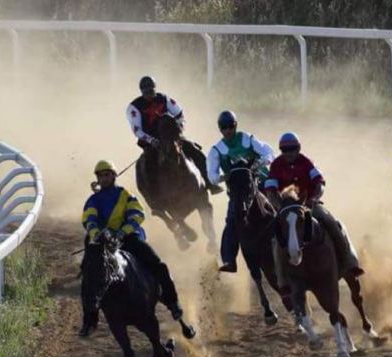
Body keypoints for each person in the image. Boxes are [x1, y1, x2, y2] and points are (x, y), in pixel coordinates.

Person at [79, 160, 184, 337]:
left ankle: (173, 303)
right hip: (102, 242)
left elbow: (137, 214)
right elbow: (88, 219)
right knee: (88, 277)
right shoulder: (93, 200)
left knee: (159, 265)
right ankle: (90, 321)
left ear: (114, 175)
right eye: (100, 176)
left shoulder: (125, 195)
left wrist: (120, 234)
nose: (103, 179)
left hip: (128, 239)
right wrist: (97, 234)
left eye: (107, 175)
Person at [264, 132, 365, 289]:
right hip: (287, 208)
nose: (288, 153)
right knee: (276, 239)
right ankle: (282, 278)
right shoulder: (276, 165)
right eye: (284, 150)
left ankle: (349, 262)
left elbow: (320, 183)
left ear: (298, 149)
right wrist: (278, 205)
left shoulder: (306, 162)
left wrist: (314, 199)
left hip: (309, 205)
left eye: (292, 149)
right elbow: (270, 189)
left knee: (333, 223)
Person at [126, 75, 222, 194]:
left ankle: (209, 182)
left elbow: (179, 114)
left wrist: (179, 128)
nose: (149, 95)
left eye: (151, 91)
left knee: (194, 150)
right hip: (151, 142)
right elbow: (137, 130)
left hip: (171, 137)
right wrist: (151, 141)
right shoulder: (134, 108)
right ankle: (155, 202)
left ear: (155, 89)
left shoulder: (164, 99)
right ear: (142, 92)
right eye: (146, 93)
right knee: (148, 164)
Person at [205, 110, 275, 273]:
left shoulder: (247, 138)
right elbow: (212, 177)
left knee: (284, 207)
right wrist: (226, 176)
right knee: (231, 221)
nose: (228, 130)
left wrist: (258, 164)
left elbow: (269, 153)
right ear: (220, 129)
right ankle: (229, 259)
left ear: (235, 126)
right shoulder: (216, 150)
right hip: (239, 192)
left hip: (262, 183)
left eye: (231, 126)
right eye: (224, 128)